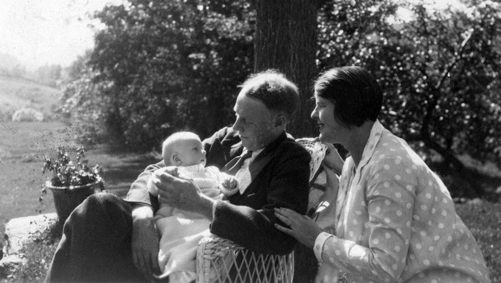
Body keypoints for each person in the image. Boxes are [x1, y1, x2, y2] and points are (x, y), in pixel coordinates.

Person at [45, 69, 311, 283]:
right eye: (235, 115)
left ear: (279, 122)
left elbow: (278, 233)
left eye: (246, 121)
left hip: (207, 264)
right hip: (163, 241)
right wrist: (142, 219)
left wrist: (201, 204)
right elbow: (156, 168)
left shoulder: (291, 160)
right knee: (98, 207)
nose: (235, 126)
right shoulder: (226, 140)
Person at [275, 66, 491, 283]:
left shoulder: (389, 165)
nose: (313, 114)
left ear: (348, 108)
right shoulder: (358, 161)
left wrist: (317, 239)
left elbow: (384, 266)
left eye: (321, 105)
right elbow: (369, 203)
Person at [147, 131, 238, 283]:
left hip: (209, 217)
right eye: (196, 149)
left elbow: (226, 185)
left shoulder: (212, 171)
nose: (203, 152)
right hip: (181, 220)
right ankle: (182, 277)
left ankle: (209, 274)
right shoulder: (169, 173)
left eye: (202, 148)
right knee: (178, 251)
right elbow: (152, 187)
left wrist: (230, 183)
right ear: (176, 158)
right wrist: (161, 175)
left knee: (217, 245)